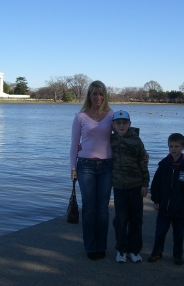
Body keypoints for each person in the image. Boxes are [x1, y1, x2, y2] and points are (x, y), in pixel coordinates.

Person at [70, 80, 114, 260]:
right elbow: (74, 145)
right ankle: (90, 247)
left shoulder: (112, 115)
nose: (98, 97)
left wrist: (141, 153)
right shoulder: (80, 117)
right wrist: (73, 167)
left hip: (106, 166)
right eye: (95, 94)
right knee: (89, 208)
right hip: (86, 166)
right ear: (89, 95)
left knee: (103, 208)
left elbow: (126, 135)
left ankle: (101, 245)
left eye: (101, 94)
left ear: (105, 96)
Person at [147, 133, 184, 265]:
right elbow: (156, 184)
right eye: (171, 146)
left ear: (182, 147)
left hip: (179, 208)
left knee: (178, 234)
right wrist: (156, 200)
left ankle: (177, 255)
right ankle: (157, 252)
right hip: (163, 207)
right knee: (160, 232)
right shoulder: (163, 165)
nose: (173, 149)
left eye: (176, 146)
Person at [110, 110, 149, 263]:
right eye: (118, 123)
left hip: (136, 185)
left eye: (124, 123)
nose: (121, 126)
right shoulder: (109, 140)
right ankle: (121, 249)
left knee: (136, 219)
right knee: (120, 219)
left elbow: (143, 162)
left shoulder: (136, 141)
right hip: (119, 187)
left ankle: (134, 250)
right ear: (113, 125)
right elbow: (93, 145)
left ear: (129, 124)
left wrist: (145, 184)